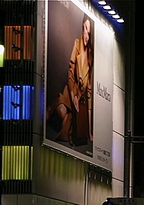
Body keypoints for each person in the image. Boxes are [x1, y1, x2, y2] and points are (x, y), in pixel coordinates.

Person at [46, 14, 93, 146]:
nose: (86, 36)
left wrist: (89, 131)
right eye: (85, 29)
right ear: (82, 27)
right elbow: (70, 72)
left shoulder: (90, 58)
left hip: (79, 100)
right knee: (61, 110)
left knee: (69, 121)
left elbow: (89, 95)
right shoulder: (77, 43)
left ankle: (61, 126)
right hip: (70, 91)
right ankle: (52, 110)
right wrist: (72, 95)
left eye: (89, 33)